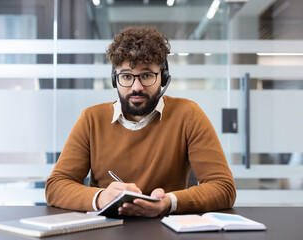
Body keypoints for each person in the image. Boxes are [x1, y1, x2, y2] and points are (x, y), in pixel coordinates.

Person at [45, 26, 236, 217]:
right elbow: (56, 186)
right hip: (105, 230)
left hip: (166, 228)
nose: (137, 87)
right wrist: (101, 197)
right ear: (115, 79)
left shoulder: (188, 115)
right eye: (126, 76)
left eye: (146, 75)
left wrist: (169, 202)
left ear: (163, 77)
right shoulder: (91, 119)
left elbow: (223, 187)